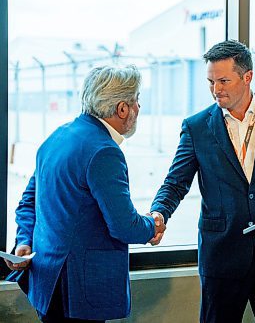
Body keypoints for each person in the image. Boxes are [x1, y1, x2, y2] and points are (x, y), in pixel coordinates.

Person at [151, 40, 255, 323]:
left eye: (224, 81)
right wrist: (159, 212)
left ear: (248, 77)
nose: (216, 89)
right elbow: (175, 182)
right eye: (211, 82)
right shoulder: (195, 127)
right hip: (222, 254)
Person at [4, 65, 166, 322]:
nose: (138, 109)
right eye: (136, 101)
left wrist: (24, 241)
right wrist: (152, 225)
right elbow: (124, 226)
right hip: (78, 292)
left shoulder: (58, 137)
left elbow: (28, 202)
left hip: (47, 285)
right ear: (122, 108)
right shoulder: (104, 151)